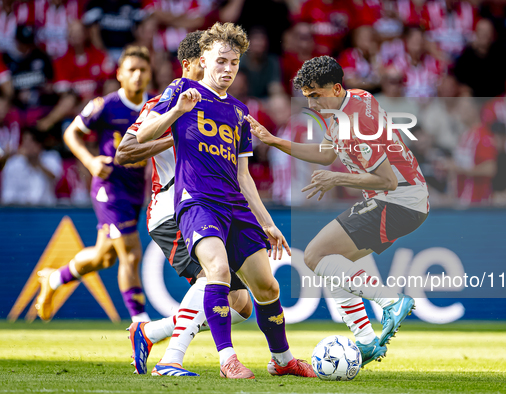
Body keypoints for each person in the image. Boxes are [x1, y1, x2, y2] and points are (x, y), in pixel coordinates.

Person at [135, 22, 314, 379]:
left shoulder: (237, 112)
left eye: (234, 63)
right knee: (216, 271)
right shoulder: (181, 89)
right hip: (197, 202)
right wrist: (176, 112)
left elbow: (244, 175)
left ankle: (282, 360)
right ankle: (227, 359)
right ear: (203, 60)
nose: (227, 69)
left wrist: (267, 222)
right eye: (220, 61)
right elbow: (141, 136)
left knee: (266, 287)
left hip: (236, 205)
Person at [247, 55, 429, 367]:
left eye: (316, 95)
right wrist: (274, 140)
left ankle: (391, 300)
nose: (312, 104)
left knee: (315, 255)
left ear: (335, 88)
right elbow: (326, 153)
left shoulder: (355, 126)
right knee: (331, 264)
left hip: (399, 200)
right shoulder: (352, 101)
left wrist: (337, 177)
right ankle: (367, 341)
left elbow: (387, 180)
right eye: (307, 97)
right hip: (407, 199)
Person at [115, 31, 253, 377]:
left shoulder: (220, 108)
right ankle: (172, 358)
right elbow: (124, 151)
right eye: (203, 66)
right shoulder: (168, 100)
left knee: (241, 304)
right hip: (172, 209)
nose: (208, 76)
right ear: (191, 64)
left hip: (209, 203)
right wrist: (177, 130)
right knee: (212, 273)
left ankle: (149, 332)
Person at [35, 46, 152, 323]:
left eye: (143, 70)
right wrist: (90, 162)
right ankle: (141, 324)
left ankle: (53, 279)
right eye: (131, 70)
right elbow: (71, 133)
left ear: (149, 75)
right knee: (132, 254)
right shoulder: (106, 105)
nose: (137, 75)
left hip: (135, 190)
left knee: (104, 257)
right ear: (120, 74)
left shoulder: (156, 107)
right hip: (109, 187)